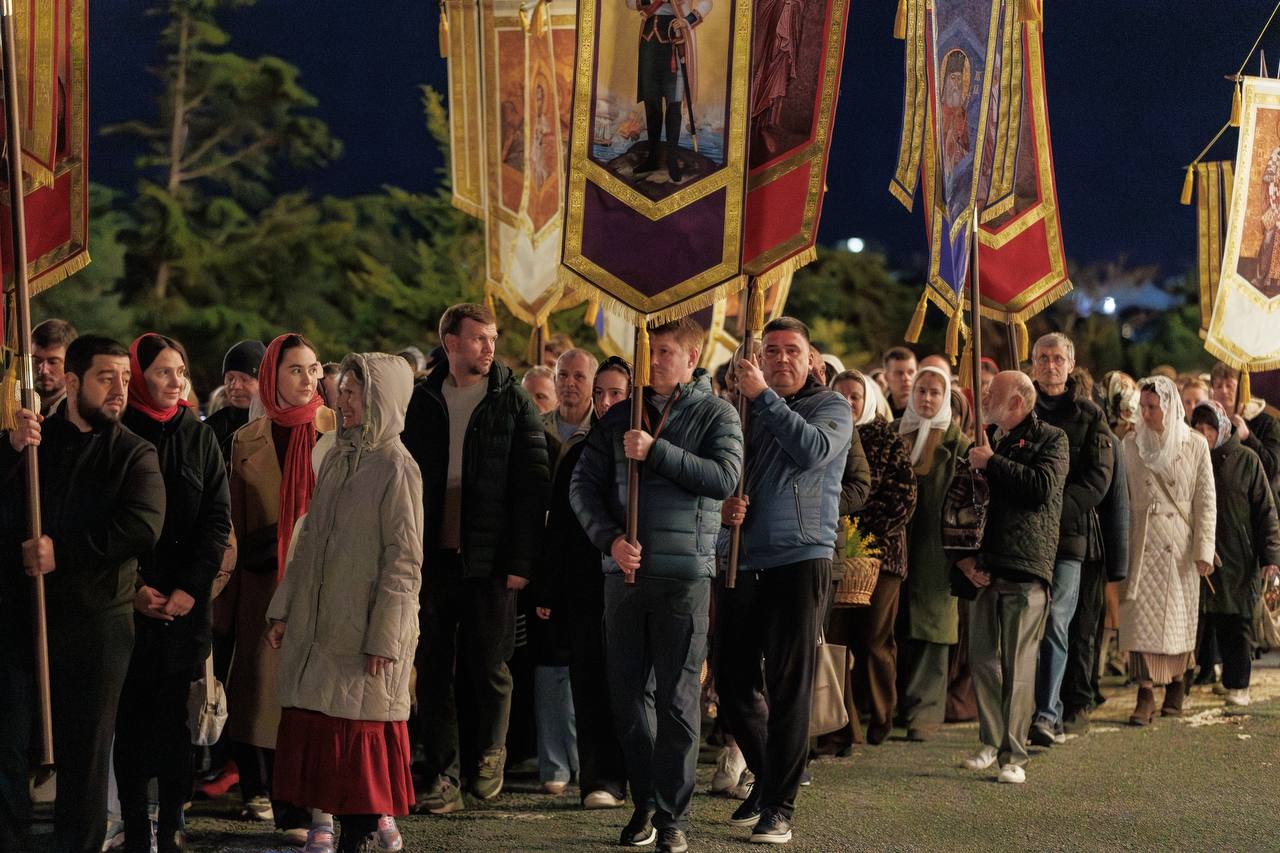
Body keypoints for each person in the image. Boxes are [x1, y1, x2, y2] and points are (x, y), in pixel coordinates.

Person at [571, 316, 742, 853]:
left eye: (665, 352)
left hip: (684, 577)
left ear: (692, 358)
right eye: (648, 352)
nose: (654, 361)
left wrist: (656, 451)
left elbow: (724, 478)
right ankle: (645, 801)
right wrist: (610, 540)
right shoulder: (618, 416)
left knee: (677, 701)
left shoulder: (717, 413)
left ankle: (672, 816)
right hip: (624, 574)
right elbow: (582, 486)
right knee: (627, 699)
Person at [0, 335, 165, 853]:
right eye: (105, 377)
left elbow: (142, 525)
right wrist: (10, 451)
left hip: (96, 626)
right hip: (23, 619)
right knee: (8, 747)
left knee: (84, 757)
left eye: (124, 378)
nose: (119, 389)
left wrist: (62, 551)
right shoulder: (34, 442)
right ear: (72, 382)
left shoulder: (134, 452)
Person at [266, 353, 422, 853]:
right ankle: (337, 830)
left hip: (362, 633)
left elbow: (404, 562)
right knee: (326, 739)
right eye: (344, 391)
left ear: (380, 399)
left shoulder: (397, 467)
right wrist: (284, 608)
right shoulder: (336, 457)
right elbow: (309, 540)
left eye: (354, 392)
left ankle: (359, 835)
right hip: (323, 625)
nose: (342, 400)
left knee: (356, 752)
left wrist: (384, 637)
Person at [402, 303, 550, 814]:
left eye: (492, 337)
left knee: (489, 663)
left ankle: (490, 753)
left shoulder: (512, 400)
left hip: (491, 557)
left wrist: (521, 562)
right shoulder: (421, 399)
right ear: (451, 342)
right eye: (478, 338)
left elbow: (533, 487)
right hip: (432, 557)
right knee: (433, 665)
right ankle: (442, 774)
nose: (489, 347)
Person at [713, 318, 852, 845]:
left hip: (800, 557)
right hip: (741, 558)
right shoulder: (742, 410)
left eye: (792, 350)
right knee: (731, 679)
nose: (782, 358)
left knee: (790, 686)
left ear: (811, 358)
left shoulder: (831, 406)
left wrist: (764, 398)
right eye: (771, 350)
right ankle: (769, 777)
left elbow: (811, 450)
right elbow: (724, 472)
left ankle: (778, 806)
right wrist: (724, 507)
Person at [115, 334, 231, 853]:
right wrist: (137, 589)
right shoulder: (119, 431)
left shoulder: (197, 435)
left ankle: (172, 823)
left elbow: (216, 519)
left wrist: (189, 588)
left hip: (185, 608)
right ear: (140, 376)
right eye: (163, 371)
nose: (175, 381)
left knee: (174, 722)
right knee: (131, 720)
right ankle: (134, 824)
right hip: (129, 605)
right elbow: (113, 519)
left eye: (180, 371)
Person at [222, 334, 335, 838]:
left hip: (322, 584)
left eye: (313, 369)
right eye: (295, 370)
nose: (307, 379)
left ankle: (314, 801)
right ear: (272, 375)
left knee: (315, 695)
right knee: (267, 696)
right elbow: (234, 525)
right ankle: (278, 798)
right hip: (264, 584)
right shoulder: (246, 439)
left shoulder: (337, 430)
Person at [536, 356, 634, 809]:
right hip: (584, 586)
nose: (606, 402)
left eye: (616, 394)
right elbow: (557, 527)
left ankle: (640, 772)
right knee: (589, 680)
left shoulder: (648, 451)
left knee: (633, 684)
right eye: (601, 393)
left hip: (635, 583)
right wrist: (549, 587)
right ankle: (601, 778)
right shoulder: (578, 452)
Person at [960, 371, 1068, 784]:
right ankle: (990, 740)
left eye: (993, 394)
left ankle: (1014, 754)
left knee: (1019, 664)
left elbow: (1041, 488)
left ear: (1018, 403)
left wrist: (993, 463)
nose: (985, 398)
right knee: (982, 658)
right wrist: (962, 559)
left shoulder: (1052, 439)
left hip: (1026, 564)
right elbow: (959, 496)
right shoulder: (983, 437)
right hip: (983, 565)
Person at [820, 371, 916, 754]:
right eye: (840, 395)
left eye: (855, 396)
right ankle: (840, 728)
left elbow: (903, 497)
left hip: (882, 558)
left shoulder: (887, 439)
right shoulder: (826, 434)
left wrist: (865, 536)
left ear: (868, 400)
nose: (847, 402)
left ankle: (881, 715)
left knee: (875, 639)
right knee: (835, 639)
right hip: (834, 551)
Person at [1026, 334, 1114, 748]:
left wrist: (1054, 513)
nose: (1050, 365)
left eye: (1057, 358)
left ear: (1071, 363)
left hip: (1068, 536)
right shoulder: (1020, 405)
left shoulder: (1090, 414)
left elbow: (1098, 478)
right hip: (1023, 537)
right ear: (1032, 363)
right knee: (1023, 626)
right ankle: (1023, 710)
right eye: (1043, 358)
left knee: (1057, 624)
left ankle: (1048, 713)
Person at [1119, 376, 1216, 725]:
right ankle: (1145, 693)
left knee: (1178, 621)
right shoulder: (1130, 444)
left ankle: (1176, 682)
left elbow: (1206, 500)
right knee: (1139, 622)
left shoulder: (1195, 444)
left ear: (1168, 406)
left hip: (1180, 547)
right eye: (1142, 407)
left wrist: (1204, 550)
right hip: (1142, 542)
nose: (1145, 414)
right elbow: (1122, 498)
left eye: (1152, 407)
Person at [533, 348, 599, 795]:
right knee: (548, 663)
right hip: (542, 559)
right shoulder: (534, 428)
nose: (569, 383)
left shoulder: (603, 432)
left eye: (578, 376)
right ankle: (554, 763)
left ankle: (587, 762)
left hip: (588, 558)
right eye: (563, 375)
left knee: (587, 664)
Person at [895, 366, 970, 741]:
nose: (926, 398)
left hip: (937, 550)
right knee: (900, 627)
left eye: (934, 392)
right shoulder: (897, 436)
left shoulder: (959, 446)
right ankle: (901, 707)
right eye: (921, 391)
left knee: (933, 630)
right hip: (899, 546)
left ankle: (925, 714)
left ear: (945, 399)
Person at [1190, 400, 1280, 707]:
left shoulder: (1246, 460)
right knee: (1200, 621)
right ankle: (1188, 681)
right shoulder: (1189, 457)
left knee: (1236, 621)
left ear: (1223, 428)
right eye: (1198, 426)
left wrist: (1270, 558)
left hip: (1238, 555)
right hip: (1200, 554)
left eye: (1210, 427)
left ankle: (1238, 683)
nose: (1203, 433)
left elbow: (1265, 511)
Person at [624, 0, 712, 185]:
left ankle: (672, 160)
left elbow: (707, 2)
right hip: (649, 42)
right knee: (651, 103)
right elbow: (630, 2)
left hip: (676, 40)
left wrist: (687, 20)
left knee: (674, 103)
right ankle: (652, 158)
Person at [1210, 363, 1280, 502]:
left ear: (1242, 388)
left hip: (1260, 504)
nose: (1224, 391)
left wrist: (1248, 437)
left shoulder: (1267, 423)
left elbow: (1272, 468)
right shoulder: (1209, 423)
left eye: (1229, 385)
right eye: (1218, 386)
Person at [204, 339, 267, 461]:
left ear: (264, 383)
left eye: (245, 379)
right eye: (230, 378)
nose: (235, 386)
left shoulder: (276, 428)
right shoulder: (210, 430)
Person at [31, 317, 78, 417]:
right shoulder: (15, 405)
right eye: (37, 360)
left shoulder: (79, 414)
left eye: (53, 362)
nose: (44, 370)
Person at [882, 347, 917, 418]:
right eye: (899, 373)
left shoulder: (926, 411)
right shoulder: (880, 412)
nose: (906, 378)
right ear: (886, 377)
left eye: (910, 372)